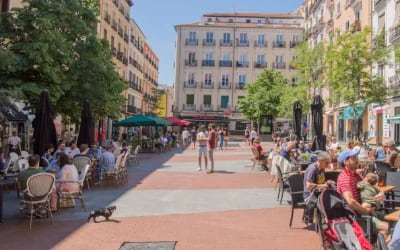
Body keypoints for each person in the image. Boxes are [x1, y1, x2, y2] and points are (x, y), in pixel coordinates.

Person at [336, 149, 389, 237]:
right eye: (354, 158)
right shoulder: (344, 178)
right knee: (386, 228)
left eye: (356, 157)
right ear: (346, 162)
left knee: (395, 222)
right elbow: (351, 202)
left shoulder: (356, 174)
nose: (357, 160)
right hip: (356, 217)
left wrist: (380, 193)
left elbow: (368, 185)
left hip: (367, 211)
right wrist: (366, 210)